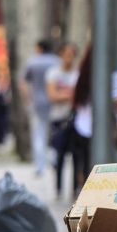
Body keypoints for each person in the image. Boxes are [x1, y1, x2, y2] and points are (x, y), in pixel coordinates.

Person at [46, 43, 79, 198]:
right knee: (59, 155)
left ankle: (74, 188)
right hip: (58, 119)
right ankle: (58, 188)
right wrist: (70, 95)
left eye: (71, 54)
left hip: (74, 119)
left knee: (76, 156)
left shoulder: (77, 74)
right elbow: (52, 95)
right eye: (66, 54)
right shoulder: (53, 73)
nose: (68, 58)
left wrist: (64, 95)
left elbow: (79, 97)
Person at [22, 39, 59, 177]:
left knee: (39, 135)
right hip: (55, 103)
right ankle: (55, 161)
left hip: (37, 103)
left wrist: (28, 100)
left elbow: (24, 83)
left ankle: (40, 166)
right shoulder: (57, 61)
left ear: (39, 48)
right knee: (55, 133)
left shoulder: (32, 62)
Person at [72, 46, 92, 194]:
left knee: (83, 161)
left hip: (82, 125)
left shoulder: (81, 76)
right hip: (86, 126)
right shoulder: (85, 77)